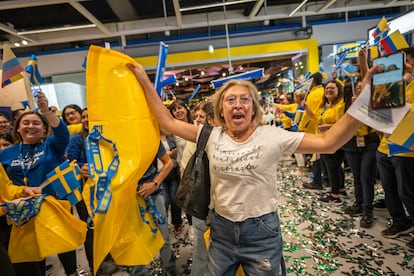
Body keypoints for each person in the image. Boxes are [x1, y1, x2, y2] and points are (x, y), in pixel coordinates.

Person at [127, 62, 378, 275]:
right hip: (221, 233)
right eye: (230, 100)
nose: (238, 105)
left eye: (245, 99)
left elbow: (329, 142)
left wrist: (360, 106)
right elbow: (168, 123)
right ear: (222, 110)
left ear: (254, 109)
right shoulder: (211, 135)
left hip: (262, 233)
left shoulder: (272, 136)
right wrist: (143, 78)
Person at [0, 92, 70, 276]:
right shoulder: (6, 153)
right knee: (30, 261)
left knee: (63, 249)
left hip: (51, 208)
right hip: (21, 213)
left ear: (44, 129)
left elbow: (63, 134)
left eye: (36, 123)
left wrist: (46, 111)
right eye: (26, 123)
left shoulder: (51, 145)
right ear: (18, 129)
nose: (31, 126)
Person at [375, 47, 414, 249]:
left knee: (407, 191)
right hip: (385, 145)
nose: (402, 65)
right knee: (389, 189)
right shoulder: (390, 84)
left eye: (405, 60)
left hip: (406, 146)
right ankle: (400, 222)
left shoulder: (410, 85)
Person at [180, 101, 217, 276]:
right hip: (204, 208)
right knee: (202, 254)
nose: (198, 121)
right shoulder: (195, 141)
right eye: (197, 118)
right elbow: (185, 175)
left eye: (201, 117)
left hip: (227, 212)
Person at [131, 142, 176, 276]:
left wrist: (155, 184)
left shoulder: (149, 135)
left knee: (163, 238)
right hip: (128, 199)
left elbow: (169, 163)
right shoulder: (117, 135)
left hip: (153, 195)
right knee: (135, 241)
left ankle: (169, 269)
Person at [303, 79, 346, 203]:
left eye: (332, 88)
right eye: (327, 88)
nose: (329, 90)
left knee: (332, 168)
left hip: (334, 140)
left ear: (339, 90)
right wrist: (307, 108)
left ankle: (335, 195)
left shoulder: (340, 106)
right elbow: (315, 118)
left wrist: (326, 127)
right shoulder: (325, 106)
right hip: (323, 140)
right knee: (334, 168)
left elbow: (343, 124)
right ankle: (339, 188)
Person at [299, 72, 326, 190]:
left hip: (315, 128)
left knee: (317, 155)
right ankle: (326, 179)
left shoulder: (314, 94)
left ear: (313, 82)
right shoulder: (322, 91)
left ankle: (317, 181)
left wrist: (301, 126)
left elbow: (309, 113)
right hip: (322, 127)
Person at [159, 131, 183, 235]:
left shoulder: (171, 136)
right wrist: (169, 154)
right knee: (165, 200)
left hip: (173, 173)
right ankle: (163, 225)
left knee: (174, 198)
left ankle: (177, 222)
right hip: (160, 174)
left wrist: (175, 153)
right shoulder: (153, 138)